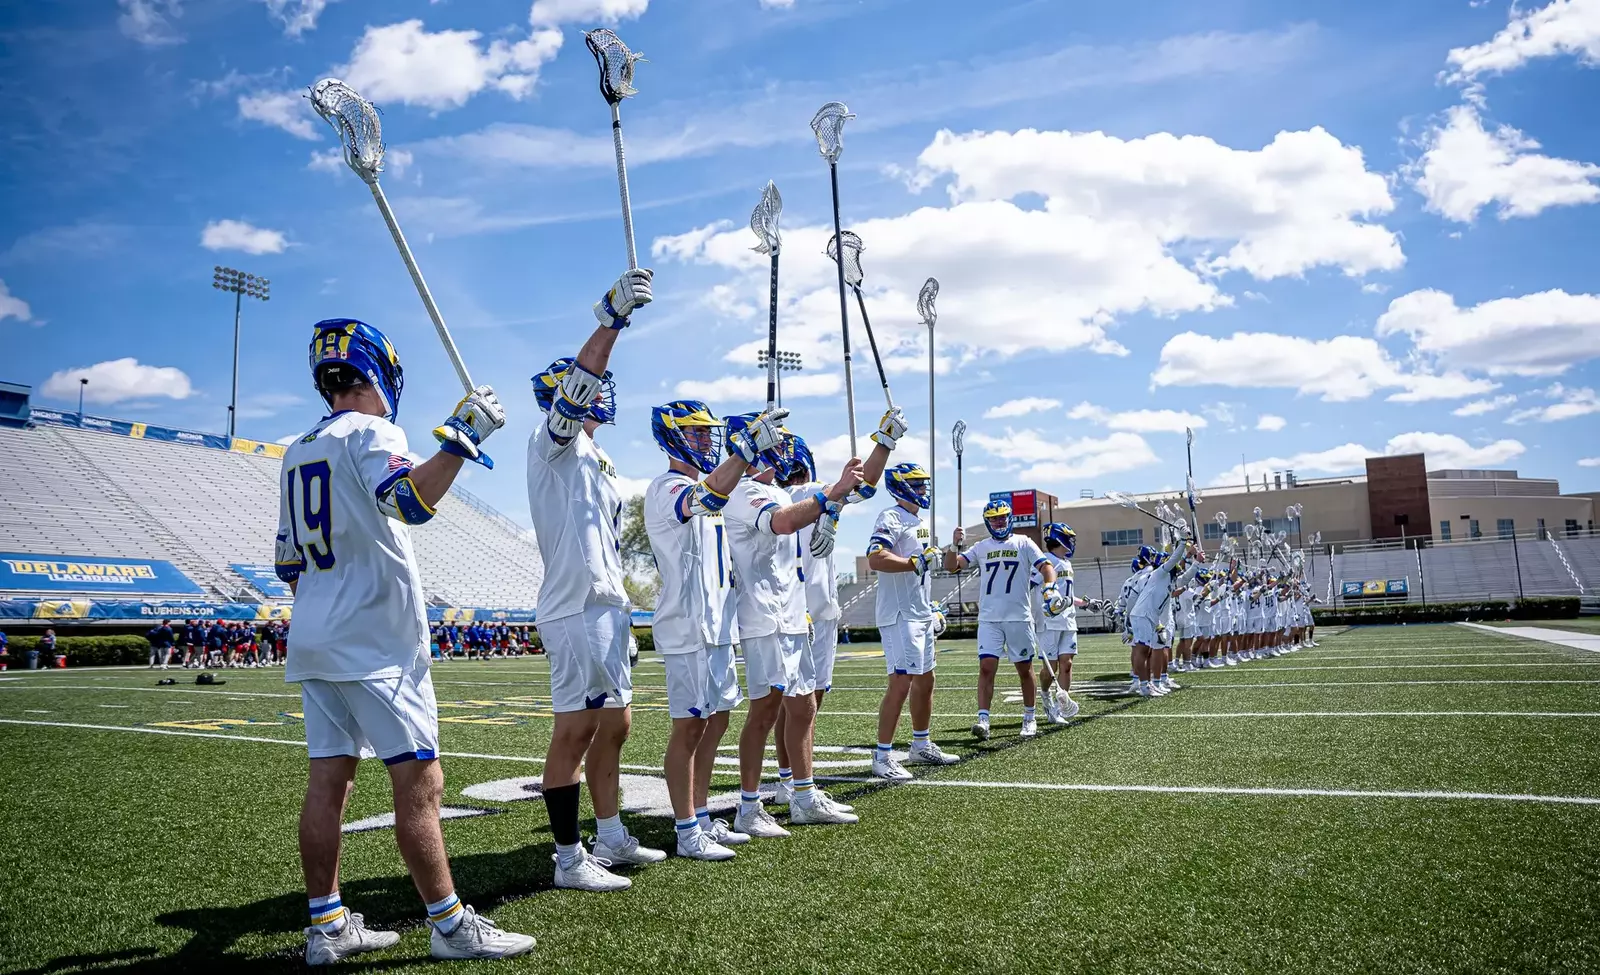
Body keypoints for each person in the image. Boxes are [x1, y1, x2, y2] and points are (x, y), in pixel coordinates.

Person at [277, 317, 531, 963]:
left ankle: (326, 926)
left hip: (316, 633)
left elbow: (289, 565)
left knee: (328, 781)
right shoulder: (371, 430)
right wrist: (462, 438)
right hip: (374, 640)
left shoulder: (297, 448)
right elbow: (411, 500)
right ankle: (449, 924)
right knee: (420, 779)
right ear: (377, 371)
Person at [526, 267, 664, 892]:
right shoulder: (550, 441)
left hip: (607, 604)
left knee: (616, 724)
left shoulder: (599, 457)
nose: (600, 392)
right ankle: (566, 856)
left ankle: (609, 831)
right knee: (576, 728)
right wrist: (611, 320)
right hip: (573, 604)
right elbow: (578, 391)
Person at [643, 399, 783, 861]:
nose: (707, 440)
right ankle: (685, 829)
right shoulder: (668, 487)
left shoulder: (713, 488)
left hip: (719, 625)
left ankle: (701, 815)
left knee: (717, 719)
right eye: (697, 433)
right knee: (689, 727)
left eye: (708, 433)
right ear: (671, 435)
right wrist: (744, 454)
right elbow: (703, 499)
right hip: (687, 626)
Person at [724, 411, 869, 834]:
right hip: (763, 615)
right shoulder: (744, 491)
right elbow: (783, 522)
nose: (782, 448)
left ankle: (803, 795)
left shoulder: (777, 490)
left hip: (791, 615)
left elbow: (846, 492)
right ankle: (748, 809)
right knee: (764, 712)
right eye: (773, 441)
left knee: (803, 703)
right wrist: (830, 497)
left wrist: (833, 505)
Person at [770, 421, 897, 801]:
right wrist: (885, 442)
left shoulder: (802, 494)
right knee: (796, 702)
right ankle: (789, 780)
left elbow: (865, 483)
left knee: (808, 700)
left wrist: (883, 445)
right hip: (799, 610)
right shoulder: (800, 493)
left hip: (819, 608)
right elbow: (865, 484)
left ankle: (793, 777)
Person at [866, 462, 960, 781]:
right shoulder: (890, 516)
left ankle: (921, 743)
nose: (923, 490)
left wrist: (949, 549)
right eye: (917, 484)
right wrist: (914, 561)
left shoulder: (920, 521)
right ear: (901, 485)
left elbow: (939, 566)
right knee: (901, 683)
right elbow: (875, 557)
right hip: (899, 614)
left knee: (926, 680)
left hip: (919, 612)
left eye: (923, 484)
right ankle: (882, 755)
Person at [942, 500, 1063, 740]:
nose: (999, 522)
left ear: (1010, 518)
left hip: (1018, 617)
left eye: (1002, 517)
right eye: (994, 518)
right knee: (986, 668)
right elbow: (951, 567)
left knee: (1024, 669)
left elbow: (1047, 567)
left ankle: (1029, 717)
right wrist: (953, 545)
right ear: (988, 521)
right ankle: (983, 719)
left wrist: (1050, 588)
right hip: (989, 618)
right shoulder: (981, 546)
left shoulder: (1024, 542)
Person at [1034, 523, 1085, 723]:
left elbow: (1067, 594)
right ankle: (1046, 697)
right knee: (1050, 667)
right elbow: (1031, 585)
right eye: (1068, 539)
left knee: (1067, 663)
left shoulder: (1066, 563)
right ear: (1059, 539)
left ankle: (1060, 706)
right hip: (1050, 621)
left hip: (1068, 619)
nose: (1071, 543)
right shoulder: (1046, 562)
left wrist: (1085, 603)